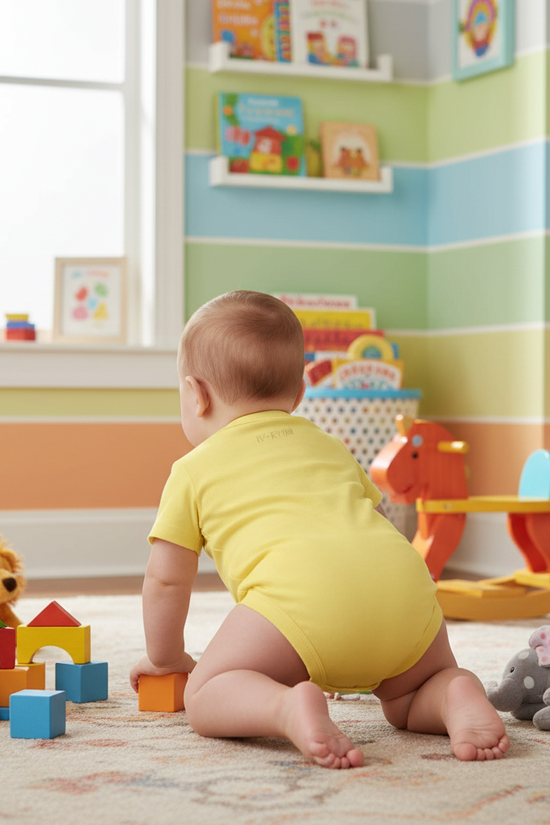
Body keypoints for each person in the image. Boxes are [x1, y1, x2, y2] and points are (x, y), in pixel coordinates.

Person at [130, 290, 509, 769]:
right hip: (404, 589)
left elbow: (165, 580)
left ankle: (286, 705)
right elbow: (368, 522)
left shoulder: (191, 470)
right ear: (300, 393)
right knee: (409, 697)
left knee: (206, 694)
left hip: (301, 605)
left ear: (196, 394)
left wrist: (166, 660)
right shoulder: (330, 446)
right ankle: (454, 692)